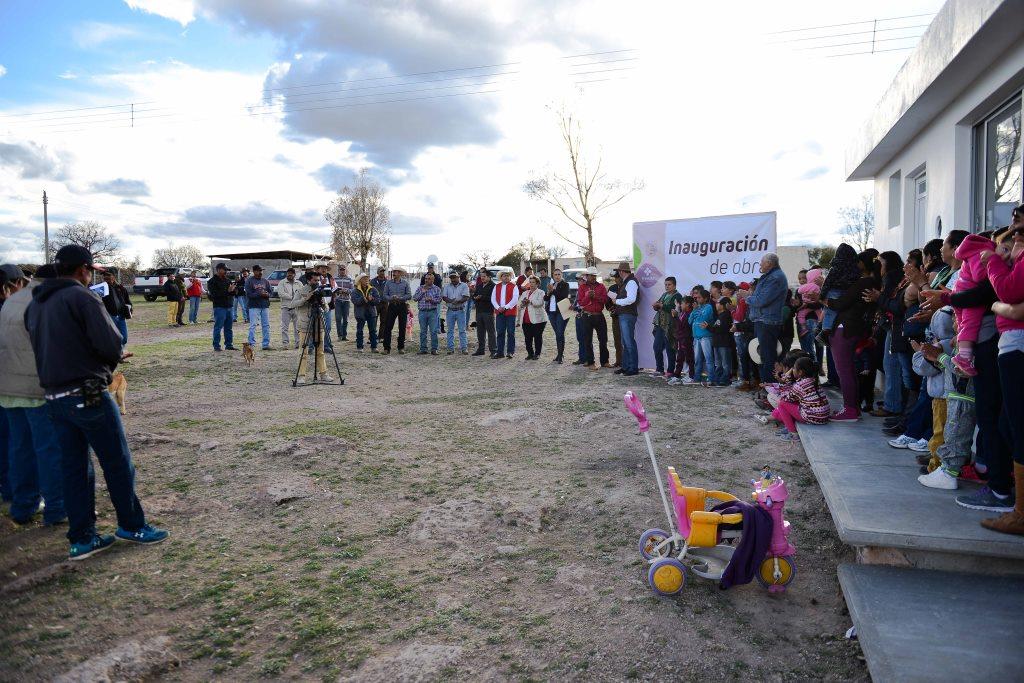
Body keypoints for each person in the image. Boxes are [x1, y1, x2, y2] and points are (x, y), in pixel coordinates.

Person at [25, 245, 167, 560]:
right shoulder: (81, 296)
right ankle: (131, 525)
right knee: (116, 461)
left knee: (75, 468)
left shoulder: (37, 303)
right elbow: (111, 341)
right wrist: (111, 358)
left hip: (54, 396)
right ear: (83, 270)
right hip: (87, 391)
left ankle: (82, 538)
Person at [0, 264, 66, 526]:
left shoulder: (10, 303)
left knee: (20, 448)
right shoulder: (39, 301)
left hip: (8, 389)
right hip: (35, 389)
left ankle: (23, 505)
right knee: (48, 449)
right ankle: (57, 507)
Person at [826, 249, 879, 422]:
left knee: (845, 372)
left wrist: (821, 299)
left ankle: (850, 410)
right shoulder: (873, 282)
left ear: (862, 263)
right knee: (849, 370)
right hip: (854, 328)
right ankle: (853, 408)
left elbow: (840, 303)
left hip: (846, 328)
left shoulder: (864, 282)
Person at [737, 253, 788, 385]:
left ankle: (770, 387)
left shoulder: (775, 278)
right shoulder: (771, 276)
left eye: (762, 262)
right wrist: (750, 295)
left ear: (769, 264)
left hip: (767, 321)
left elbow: (761, 300)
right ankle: (766, 386)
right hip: (762, 320)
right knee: (763, 355)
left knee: (767, 356)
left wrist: (747, 296)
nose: (760, 264)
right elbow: (760, 297)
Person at [770, 357, 831, 441]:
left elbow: (786, 399)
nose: (792, 370)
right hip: (824, 417)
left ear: (800, 372)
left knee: (782, 403)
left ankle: (793, 434)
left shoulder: (800, 385)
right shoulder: (814, 380)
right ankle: (789, 427)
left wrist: (784, 381)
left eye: (794, 368)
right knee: (793, 403)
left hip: (813, 417)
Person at [295, 271, 333, 382]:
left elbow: (327, 309)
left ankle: (323, 374)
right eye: (315, 280)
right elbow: (292, 304)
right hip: (305, 324)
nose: (317, 282)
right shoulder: (301, 291)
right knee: (303, 351)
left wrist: (322, 303)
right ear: (308, 280)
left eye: (318, 280)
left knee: (320, 350)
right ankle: (301, 376)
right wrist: (305, 299)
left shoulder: (319, 291)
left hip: (318, 323)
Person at [609, 261, 640, 376]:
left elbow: (631, 299)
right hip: (625, 315)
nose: (618, 274)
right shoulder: (628, 281)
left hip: (627, 315)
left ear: (622, 271)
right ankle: (626, 366)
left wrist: (617, 301)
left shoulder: (631, 282)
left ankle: (633, 368)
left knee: (628, 342)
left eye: (619, 271)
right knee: (625, 342)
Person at [578, 267, 610, 369]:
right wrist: (588, 296)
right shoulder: (582, 287)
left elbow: (605, 300)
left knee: (603, 339)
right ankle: (590, 362)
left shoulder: (601, 286)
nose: (593, 277)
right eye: (591, 275)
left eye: (594, 275)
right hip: (587, 315)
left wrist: (595, 296)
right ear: (587, 276)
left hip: (599, 315)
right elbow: (581, 303)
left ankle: (604, 361)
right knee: (588, 340)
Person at [652, 276, 682, 377]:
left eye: (669, 285)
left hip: (671, 327)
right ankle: (659, 369)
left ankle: (670, 371)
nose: (667, 286)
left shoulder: (678, 296)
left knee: (670, 349)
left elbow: (676, 310)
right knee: (656, 347)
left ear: (674, 285)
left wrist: (662, 306)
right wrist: (655, 306)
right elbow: (659, 306)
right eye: (665, 285)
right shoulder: (664, 295)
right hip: (660, 325)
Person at [207, 262, 237, 352]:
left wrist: (234, 290)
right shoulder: (212, 281)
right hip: (219, 307)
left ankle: (229, 345)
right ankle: (216, 346)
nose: (226, 272)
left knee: (229, 328)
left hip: (229, 306)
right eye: (224, 270)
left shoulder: (227, 280)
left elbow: (232, 293)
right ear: (218, 270)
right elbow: (214, 295)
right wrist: (228, 291)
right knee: (218, 327)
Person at [381, 267, 412, 354]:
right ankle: (386, 348)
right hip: (392, 306)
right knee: (388, 327)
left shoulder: (405, 283)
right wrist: (391, 298)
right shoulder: (388, 283)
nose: (394, 273)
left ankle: (401, 347)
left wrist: (400, 298)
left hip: (402, 306)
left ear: (400, 273)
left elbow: (409, 295)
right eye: (394, 272)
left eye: (396, 272)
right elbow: (384, 295)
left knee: (402, 327)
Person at [689, 289, 715, 385]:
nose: (697, 299)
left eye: (699, 297)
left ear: (706, 298)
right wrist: (694, 310)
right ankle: (697, 378)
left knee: (708, 359)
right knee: (697, 359)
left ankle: (711, 379)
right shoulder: (697, 308)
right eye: (697, 297)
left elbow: (704, 319)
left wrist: (697, 311)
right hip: (696, 337)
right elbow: (689, 321)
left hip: (705, 337)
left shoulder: (709, 307)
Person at [544, 269, 570, 363]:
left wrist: (553, 290)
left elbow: (563, 296)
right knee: (558, 334)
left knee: (560, 333)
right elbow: (546, 298)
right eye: (555, 274)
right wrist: (548, 292)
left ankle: (560, 356)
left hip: (561, 311)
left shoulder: (565, 284)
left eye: (559, 274)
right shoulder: (552, 284)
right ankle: (559, 354)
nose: (557, 276)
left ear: (561, 275)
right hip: (551, 312)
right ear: (553, 276)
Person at [492, 270, 519, 358]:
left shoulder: (514, 286)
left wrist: (506, 307)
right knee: (500, 332)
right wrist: (498, 307)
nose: (506, 277)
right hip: (499, 312)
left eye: (508, 275)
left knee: (511, 332)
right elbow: (493, 299)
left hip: (510, 312)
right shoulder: (496, 286)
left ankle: (510, 352)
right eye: (504, 276)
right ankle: (500, 352)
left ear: (510, 277)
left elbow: (515, 299)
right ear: (501, 277)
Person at [669, 295, 696, 385]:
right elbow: (679, 325)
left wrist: (676, 316)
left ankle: (691, 376)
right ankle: (676, 375)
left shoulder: (690, 314)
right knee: (680, 358)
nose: (681, 305)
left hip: (687, 338)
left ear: (688, 304)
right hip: (681, 338)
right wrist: (676, 317)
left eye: (682, 303)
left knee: (689, 358)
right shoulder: (683, 313)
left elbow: (685, 325)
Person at [519, 275, 547, 360]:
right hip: (526, 319)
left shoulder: (541, 292)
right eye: (530, 282)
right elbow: (519, 305)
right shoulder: (525, 293)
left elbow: (540, 303)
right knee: (527, 338)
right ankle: (530, 354)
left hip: (538, 319)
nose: (531, 284)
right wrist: (522, 303)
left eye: (533, 282)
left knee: (537, 337)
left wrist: (530, 301)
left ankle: (537, 353)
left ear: (537, 284)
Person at [414, 272, 442, 355]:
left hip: (432, 312)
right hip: (422, 312)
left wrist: (431, 299)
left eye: (429, 279)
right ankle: (423, 349)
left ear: (433, 280)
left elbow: (439, 300)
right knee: (423, 331)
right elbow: (415, 298)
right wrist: (422, 292)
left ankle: (434, 349)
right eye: (426, 279)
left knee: (433, 331)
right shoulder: (420, 288)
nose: (426, 280)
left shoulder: (437, 289)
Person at [101, 269, 131, 346]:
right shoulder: (102, 289)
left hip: (121, 316)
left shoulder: (121, 288)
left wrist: (129, 310)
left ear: (114, 276)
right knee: (114, 337)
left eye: (108, 275)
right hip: (110, 316)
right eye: (104, 276)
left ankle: (119, 350)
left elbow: (127, 301)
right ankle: (117, 351)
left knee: (124, 338)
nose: (106, 277)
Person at [442, 271, 470, 355]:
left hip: (461, 310)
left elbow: (466, 297)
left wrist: (458, 301)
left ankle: (464, 348)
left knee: (462, 330)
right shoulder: (447, 286)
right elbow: (444, 297)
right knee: (450, 330)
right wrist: (451, 301)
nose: (453, 279)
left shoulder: (464, 285)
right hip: (450, 310)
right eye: (451, 278)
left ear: (458, 277)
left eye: (454, 277)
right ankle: (450, 348)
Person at [245, 265, 272, 350]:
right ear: (254, 271)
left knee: (266, 325)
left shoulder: (265, 281)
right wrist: (259, 294)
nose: (261, 272)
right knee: (253, 325)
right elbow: (249, 294)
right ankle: (251, 344)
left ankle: (266, 344)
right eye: (259, 271)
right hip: (254, 306)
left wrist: (267, 294)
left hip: (264, 305)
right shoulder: (249, 281)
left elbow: (270, 292)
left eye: (261, 270)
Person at [351, 273, 380, 352]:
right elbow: (355, 301)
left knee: (373, 331)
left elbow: (378, 300)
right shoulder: (355, 290)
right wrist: (363, 299)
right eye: (364, 279)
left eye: (367, 278)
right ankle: (360, 347)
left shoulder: (373, 289)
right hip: (360, 313)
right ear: (360, 280)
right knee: (360, 331)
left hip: (371, 312)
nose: (366, 280)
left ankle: (374, 347)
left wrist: (371, 299)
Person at [710, 297, 734, 387]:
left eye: (718, 303)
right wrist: (709, 327)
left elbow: (722, 329)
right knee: (718, 363)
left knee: (725, 363)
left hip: (724, 343)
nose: (716, 304)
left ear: (724, 305)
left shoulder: (726, 315)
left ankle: (725, 380)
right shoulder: (720, 315)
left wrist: (710, 328)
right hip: (717, 342)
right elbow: (715, 329)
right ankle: (717, 379)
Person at [473, 269, 497, 357]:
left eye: (484, 276)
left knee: (491, 332)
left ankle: (493, 350)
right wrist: (475, 298)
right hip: (479, 311)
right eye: (481, 276)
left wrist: (481, 297)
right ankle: (481, 349)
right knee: (480, 332)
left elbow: (493, 298)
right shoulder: (479, 285)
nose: (482, 278)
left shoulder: (493, 286)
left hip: (488, 312)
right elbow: (474, 295)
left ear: (489, 277)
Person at [278, 268, 302, 349]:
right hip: (286, 307)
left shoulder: (299, 283)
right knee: (284, 327)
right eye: (288, 273)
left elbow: (302, 292)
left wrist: (298, 300)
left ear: (294, 274)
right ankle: (285, 344)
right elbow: (281, 293)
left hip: (296, 308)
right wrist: (293, 297)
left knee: (297, 327)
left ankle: (298, 343)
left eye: (291, 273)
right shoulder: (282, 282)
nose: (290, 274)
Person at [606, 271, 623, 367]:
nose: (616, 279)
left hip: (626, 315)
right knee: (617, 339)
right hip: (616, 317)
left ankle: (628, 361)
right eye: (615, 278)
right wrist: (610, 308)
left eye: (617, 277)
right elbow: (607, 302)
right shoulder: (612, 288)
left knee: (627, 340)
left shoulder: (627, 286)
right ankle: (619, 361)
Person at [334, 265, 354, 342]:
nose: (342, 271)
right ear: (338, 270)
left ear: (345, 270)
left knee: (346, 319)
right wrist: (338, 291)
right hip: (338, 301)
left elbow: (352, 290)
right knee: (338, 318)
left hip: (346, 301)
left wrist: (346, 291)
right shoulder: (335, 279)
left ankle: (344, 336)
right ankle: (339, 335)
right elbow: (333, 289)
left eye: (343, 269)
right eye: (341, 269)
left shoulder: (349, 279)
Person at [371, 266, 389, 339]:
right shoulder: (372, 281)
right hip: (375, 303)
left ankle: (381, 337)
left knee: (384, 321)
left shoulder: (387, 281)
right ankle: (372, 337)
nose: (382, 273)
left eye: (383, 271)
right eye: (381, 271)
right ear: (377, 272)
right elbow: (369, 291)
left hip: (385, 303)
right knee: (373, 320)